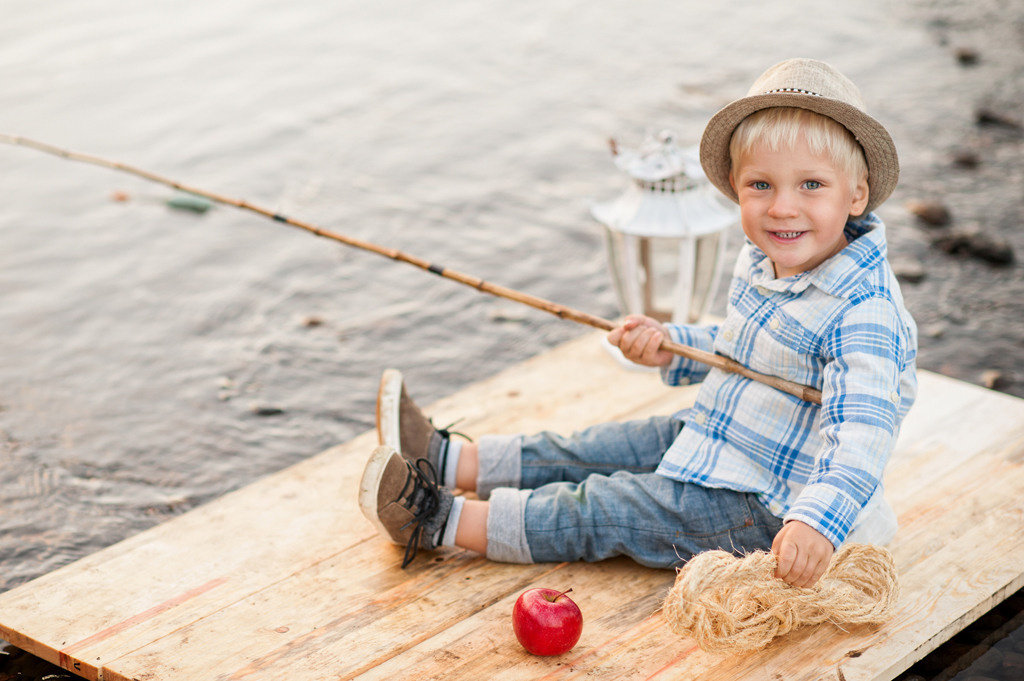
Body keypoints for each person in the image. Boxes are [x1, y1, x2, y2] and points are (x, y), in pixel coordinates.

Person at [358, 58, 918, 587]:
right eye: (761, 185)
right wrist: (672, 346)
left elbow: (861, 438)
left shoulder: (863, 311)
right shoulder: (773, 258)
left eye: (811, 185)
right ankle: (448, 457)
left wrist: (817, 522)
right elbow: (745, 350)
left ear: (857, 194)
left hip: (770, 508)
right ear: (737, 187)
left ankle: (437, 522)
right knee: (599, 447)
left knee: (608, 505)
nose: (782, 207)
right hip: (720, 436)